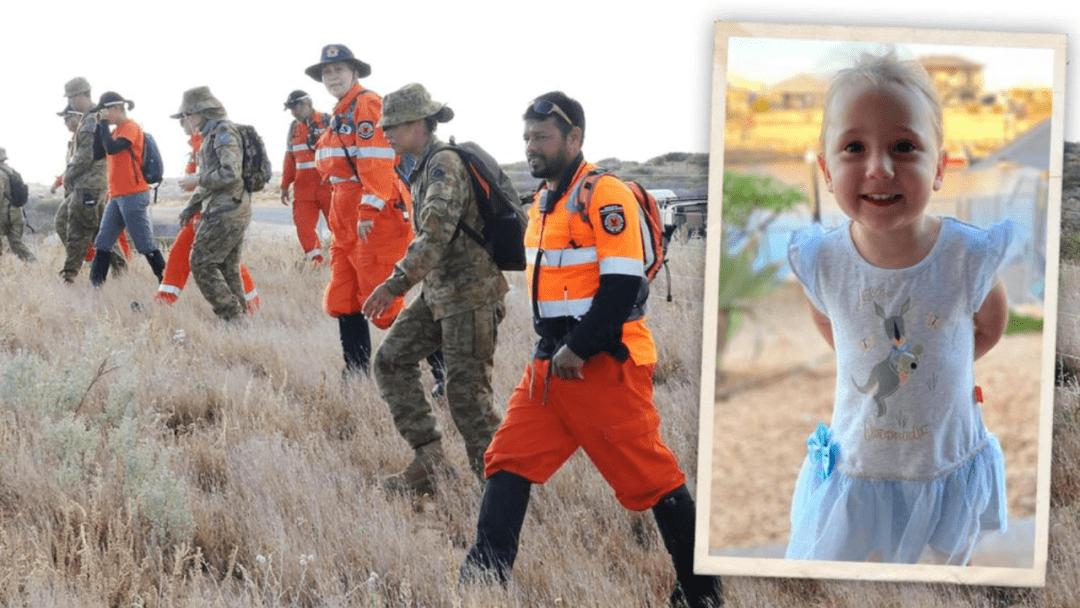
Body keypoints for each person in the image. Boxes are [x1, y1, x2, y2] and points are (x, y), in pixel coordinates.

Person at [459, 92, 723, 608]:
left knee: (653, 478)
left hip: (604, 363)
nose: (531, 147)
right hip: (550, 364)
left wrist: (578, 349)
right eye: (527, 138)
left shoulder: (604, 195)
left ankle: (702, 592)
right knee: (507, 460)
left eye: (542, 137)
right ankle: (483, 584)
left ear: (574, 138)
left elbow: (621, 287)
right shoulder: (544, 201)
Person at [783, 51, 1010, 565]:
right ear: (826, 168)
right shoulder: (822, 261)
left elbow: (991, 326)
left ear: (939, 168)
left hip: (942, 456)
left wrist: (940, 363)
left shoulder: (965, 257)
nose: (879, 169)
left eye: (904, 147)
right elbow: (828, 318)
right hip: (861, 461)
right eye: (853, 147)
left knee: (947, 563)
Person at [364, 83, 504, 493]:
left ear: (421, 124)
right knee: (390, 360)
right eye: (384, 124)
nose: (386, 132)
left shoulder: (443, 165)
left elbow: (435, 235)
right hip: (441, 292)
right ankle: (431, 462)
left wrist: (394, 285)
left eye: (395, 125)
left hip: (471, 296)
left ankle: (497, 491)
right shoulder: (420, 167)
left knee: (467, 397)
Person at [306, 44, 413, 376]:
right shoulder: (340, 111)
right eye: (326, 71)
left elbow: (378, 161)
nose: (332, 76)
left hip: (374, 214)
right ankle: (356, 374)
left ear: (354, 72)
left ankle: (439, 372)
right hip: (345, 212)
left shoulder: (366, 105)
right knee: (345, 297)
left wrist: (368, 210)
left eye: (338, 69)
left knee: (383, 298)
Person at [155, 100, 259, 312]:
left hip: (212, 209)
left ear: (194, 117)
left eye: (183, 118)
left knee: (196, 258)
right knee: (225, 261)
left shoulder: (207, 141)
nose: (181, 123)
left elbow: (216, 178)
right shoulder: (200, 142)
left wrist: (196, 202)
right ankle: (249, 305)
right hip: (207, 208)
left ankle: (236, 310)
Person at [87, 91, 165, 285]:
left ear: (115, 108)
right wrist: (99, 125)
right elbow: (98, 153)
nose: (103, 115)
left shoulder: (130, 127)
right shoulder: (113, 131)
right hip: (116, 196)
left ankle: (167, 283)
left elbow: (113, 148)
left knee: (144, 244)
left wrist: (104, 124)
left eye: (105, 111)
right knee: (103, 242)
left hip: (133, 194)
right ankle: (95, 288)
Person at [280, 89, 333, 264]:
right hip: (304, 189)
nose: (294, 112)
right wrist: (284, 185)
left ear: (308, 104)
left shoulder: (329, 121)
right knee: (303, 226)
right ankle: (315, 261)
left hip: (329, 187)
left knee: (338, 227)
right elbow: (290, 159)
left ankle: (345, 260)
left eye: (296, 107)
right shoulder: (293, 129)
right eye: (291, 109)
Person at [0, 147, 36, 262]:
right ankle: (34, 263)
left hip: (4, 214)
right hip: (16, 212)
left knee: (15, 243)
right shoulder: (11, 171)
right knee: (16, 244)